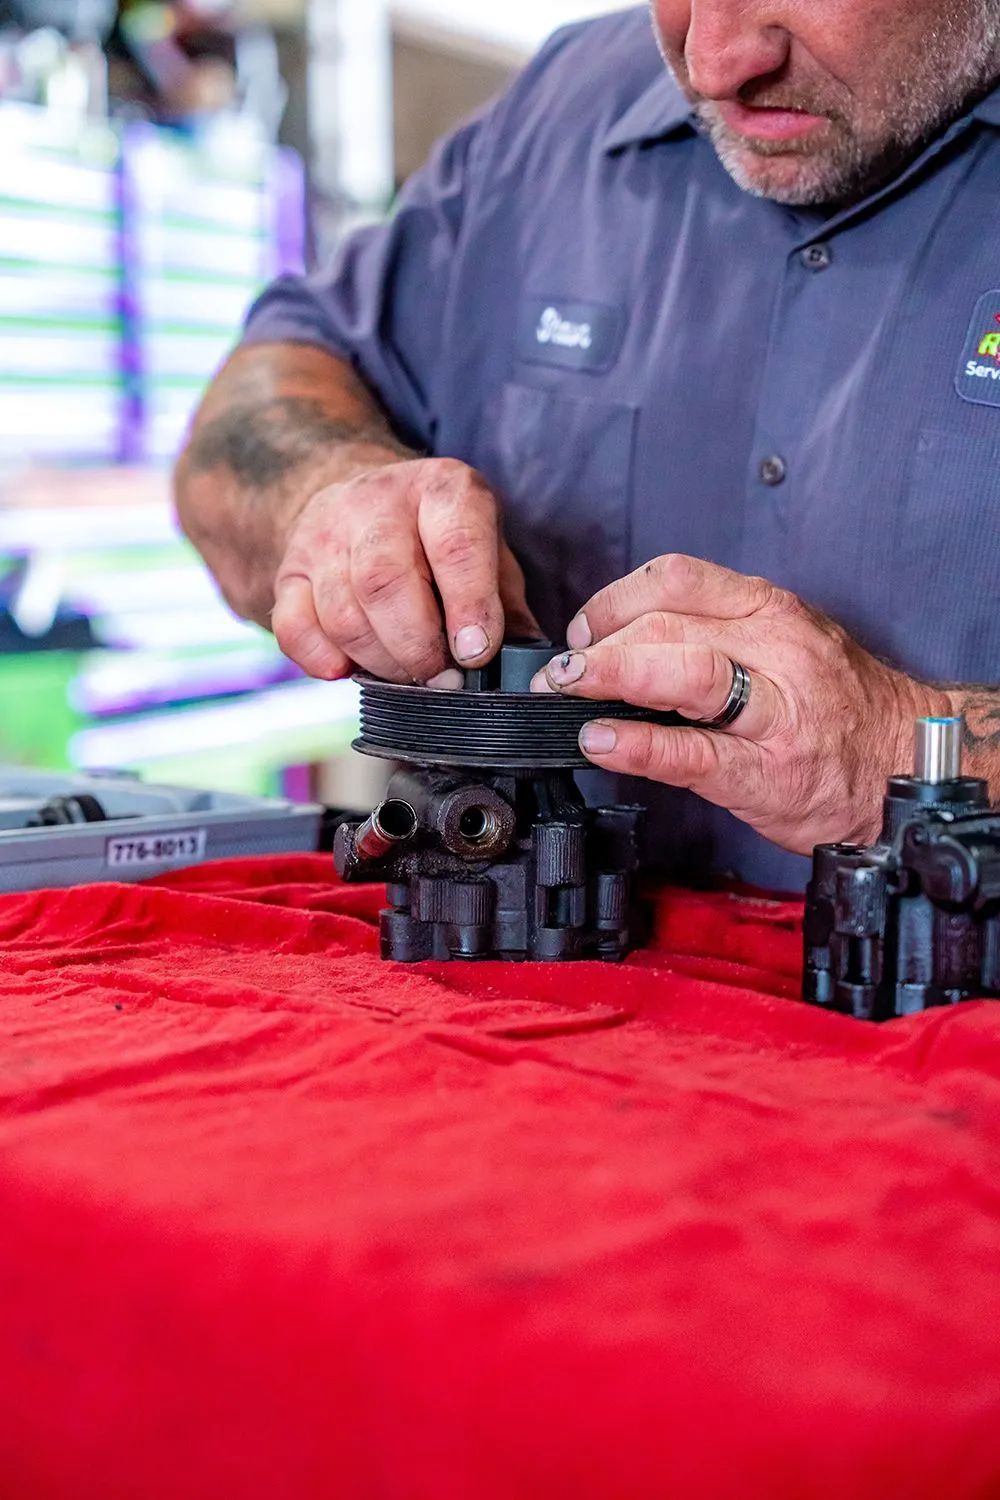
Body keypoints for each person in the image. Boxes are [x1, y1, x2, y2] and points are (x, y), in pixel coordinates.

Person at [174, 0, 1000, 890]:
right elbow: (245, 424)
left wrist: (910, 751)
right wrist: (333, 494)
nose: (716, 63)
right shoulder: (565, 109)